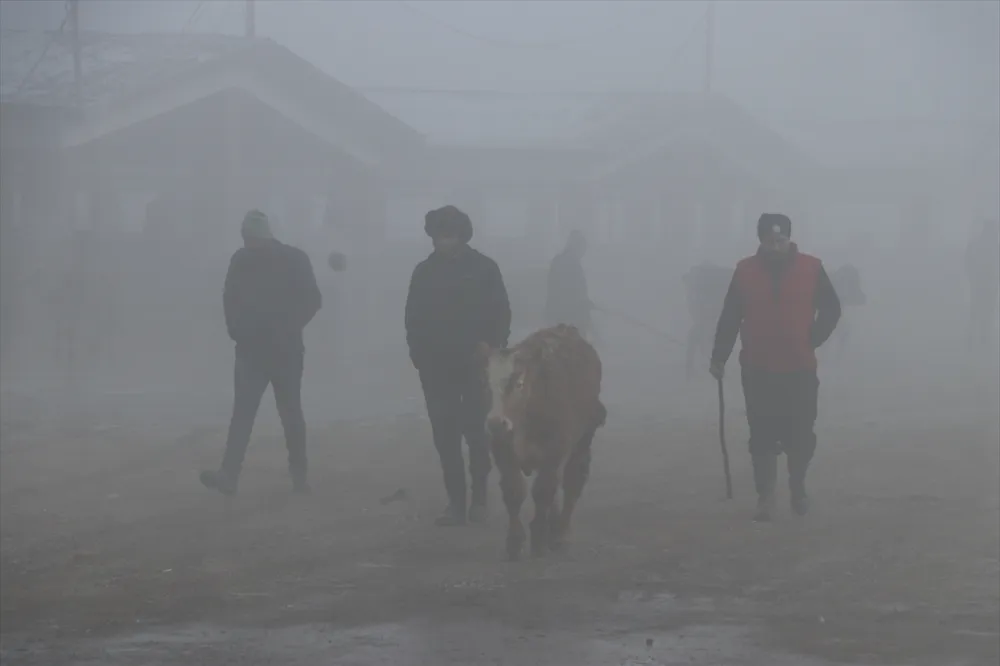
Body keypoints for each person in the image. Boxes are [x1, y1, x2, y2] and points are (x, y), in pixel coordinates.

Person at [709, 213, 841, 522]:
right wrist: (719, 356)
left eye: (781, 240)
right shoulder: (744, 271)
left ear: (790, 239)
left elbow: (832, 307)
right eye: (770, 241)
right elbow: (730, 316)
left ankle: (798, 489)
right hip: (758, 367)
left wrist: (814, 337)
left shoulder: (811, 267)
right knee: (762, 433)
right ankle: (766, 497)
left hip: (799, 367)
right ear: (761, 241)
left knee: (801, 433)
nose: (776, 246)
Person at [200, 210, 322, 496]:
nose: (247, 243)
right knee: (245, 414)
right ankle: (229, 476)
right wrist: (237, 331)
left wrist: (288, 327)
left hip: (283, 351)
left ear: (264, 236)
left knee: (289, 413)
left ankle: (299, 478)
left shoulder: (293, 259)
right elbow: (229, 298)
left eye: (251, 238)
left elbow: (312, 300)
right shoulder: (243, 260)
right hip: (254, 350)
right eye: (245, 238)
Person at [405, 205, 511, 526]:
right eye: (439, 236)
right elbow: (413, 320)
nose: (443, 242)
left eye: (449, 235)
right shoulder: (424, 273)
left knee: (477, 433)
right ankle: (455, 502)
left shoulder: (484, 269)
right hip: (436, 368)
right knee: (445, 436)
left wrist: (490, 345)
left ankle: (479, 498)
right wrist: (419, 358)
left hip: (475, 365)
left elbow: (501, 313)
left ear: (462, 236)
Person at [544, 230, 593, 338]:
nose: (582, 253)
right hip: (568, 319)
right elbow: (571, 292)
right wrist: (583, 305)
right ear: (576, 247)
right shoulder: (571, 265)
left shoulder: (561, 261)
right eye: (582, 249)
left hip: (561, 317)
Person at [965, 219, 999, 349]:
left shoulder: (977, 244)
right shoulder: (993, 246)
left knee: (979, 311)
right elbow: (967, 261)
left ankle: (976, 339)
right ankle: (980, 339)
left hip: (983, 284)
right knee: (983, 312)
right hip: (985, 284)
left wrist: (972, 277)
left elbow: (967, 260)